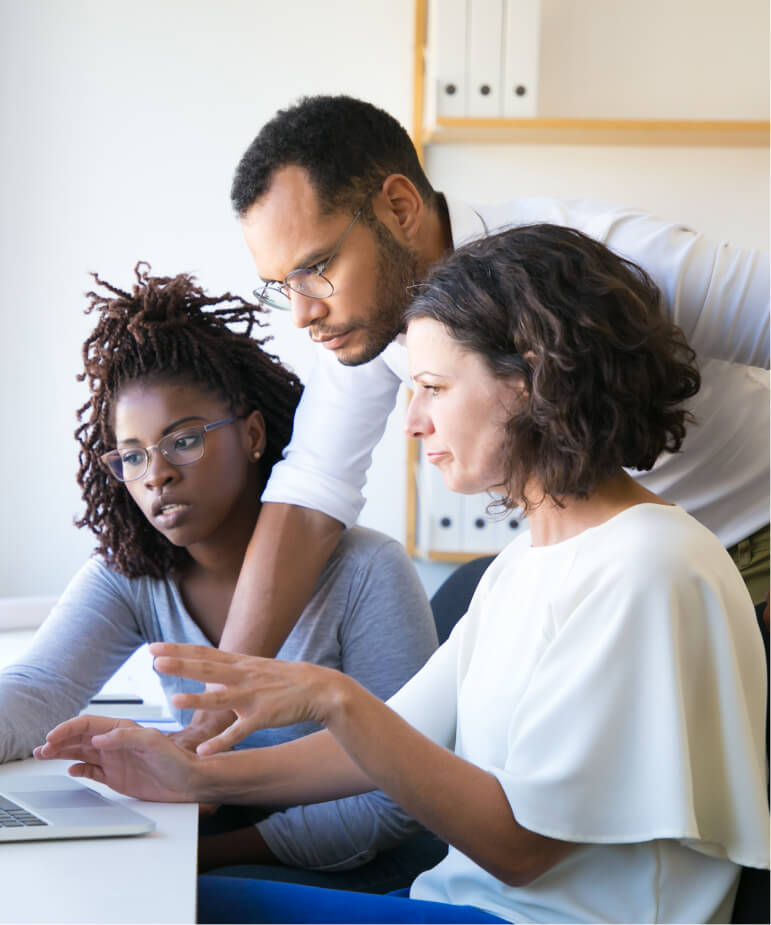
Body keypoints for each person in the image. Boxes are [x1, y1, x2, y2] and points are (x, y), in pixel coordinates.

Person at [38, 226, 769, 924]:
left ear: (530, 379)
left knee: (161, 909)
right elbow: (394, 739)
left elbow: (519, 851)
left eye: (433, 388)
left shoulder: (647, 565)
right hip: (456, 904)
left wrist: (333, 697)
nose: (413, 420)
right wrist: (193, 775)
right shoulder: (526, 561)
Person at [177, 93, 770, 754]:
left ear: (399, 208)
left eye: (314, 270)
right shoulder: (366, 318)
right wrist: (211, 718)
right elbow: (310, 492)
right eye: (280, 285)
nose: (301, 313)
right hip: (600, 572)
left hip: (746, 546)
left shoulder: (608, 262)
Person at [0, 262, 441, 888]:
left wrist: (198, 856)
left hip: (363, 872)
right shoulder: (134, 574)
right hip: (219, 845)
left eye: (183, 441)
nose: (156, 475)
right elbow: (39, 688)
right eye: (132, 456)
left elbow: (395, 800)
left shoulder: (367, 572)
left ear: (253, 434)